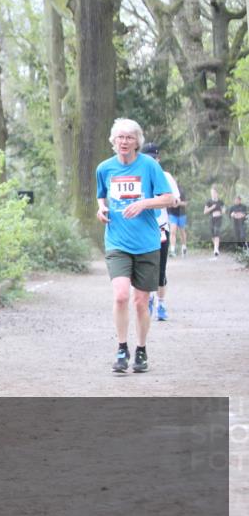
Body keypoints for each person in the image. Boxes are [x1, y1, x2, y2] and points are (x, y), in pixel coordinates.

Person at [96, 119, 174, 374]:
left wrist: (144, 203)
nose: (124, 141)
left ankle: (141, 349)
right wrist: (101, 209)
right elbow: (101, 196)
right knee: (120, 295)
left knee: (141, 301)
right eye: (120, 137)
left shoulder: (149, 166)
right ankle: (122, 349)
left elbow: (169, 198)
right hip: (117, 241)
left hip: (147, 242)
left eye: (129, 137)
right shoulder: (104, 168)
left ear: (137, 141)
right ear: (114, 140)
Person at [139, 143, 180, 321]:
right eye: (148, 159)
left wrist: (172, 201)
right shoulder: (138, 176)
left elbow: (175, 199)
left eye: (154, 159)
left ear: (158, 159)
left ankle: (161, 304)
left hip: (161, 227)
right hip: (142, 229)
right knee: (144, 269)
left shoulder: (166, 176)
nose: (152, 162)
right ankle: (148, 299)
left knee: (160, 270)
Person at [167, 180, 188, 257]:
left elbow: (185, 203)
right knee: (172, 231)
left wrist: (178, 203)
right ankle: (172, 250)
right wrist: (170, 204)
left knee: (182, 232)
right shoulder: (168, 190)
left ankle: (184, 247)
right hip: (172, 214)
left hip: (181, 214)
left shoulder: (181, 190)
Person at [203, 187, 225, 258]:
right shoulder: (209, 202)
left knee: (216, 232)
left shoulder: (220, 201)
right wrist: (212, 208)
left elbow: (224, 210)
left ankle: (216, 249)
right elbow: (205, 212)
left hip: (218, 219)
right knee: (213, 235)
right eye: (212, 193)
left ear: (217, 193)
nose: (213, 194)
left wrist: (221, 211)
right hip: (211, 219)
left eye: (214, 193)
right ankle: (216, 247)